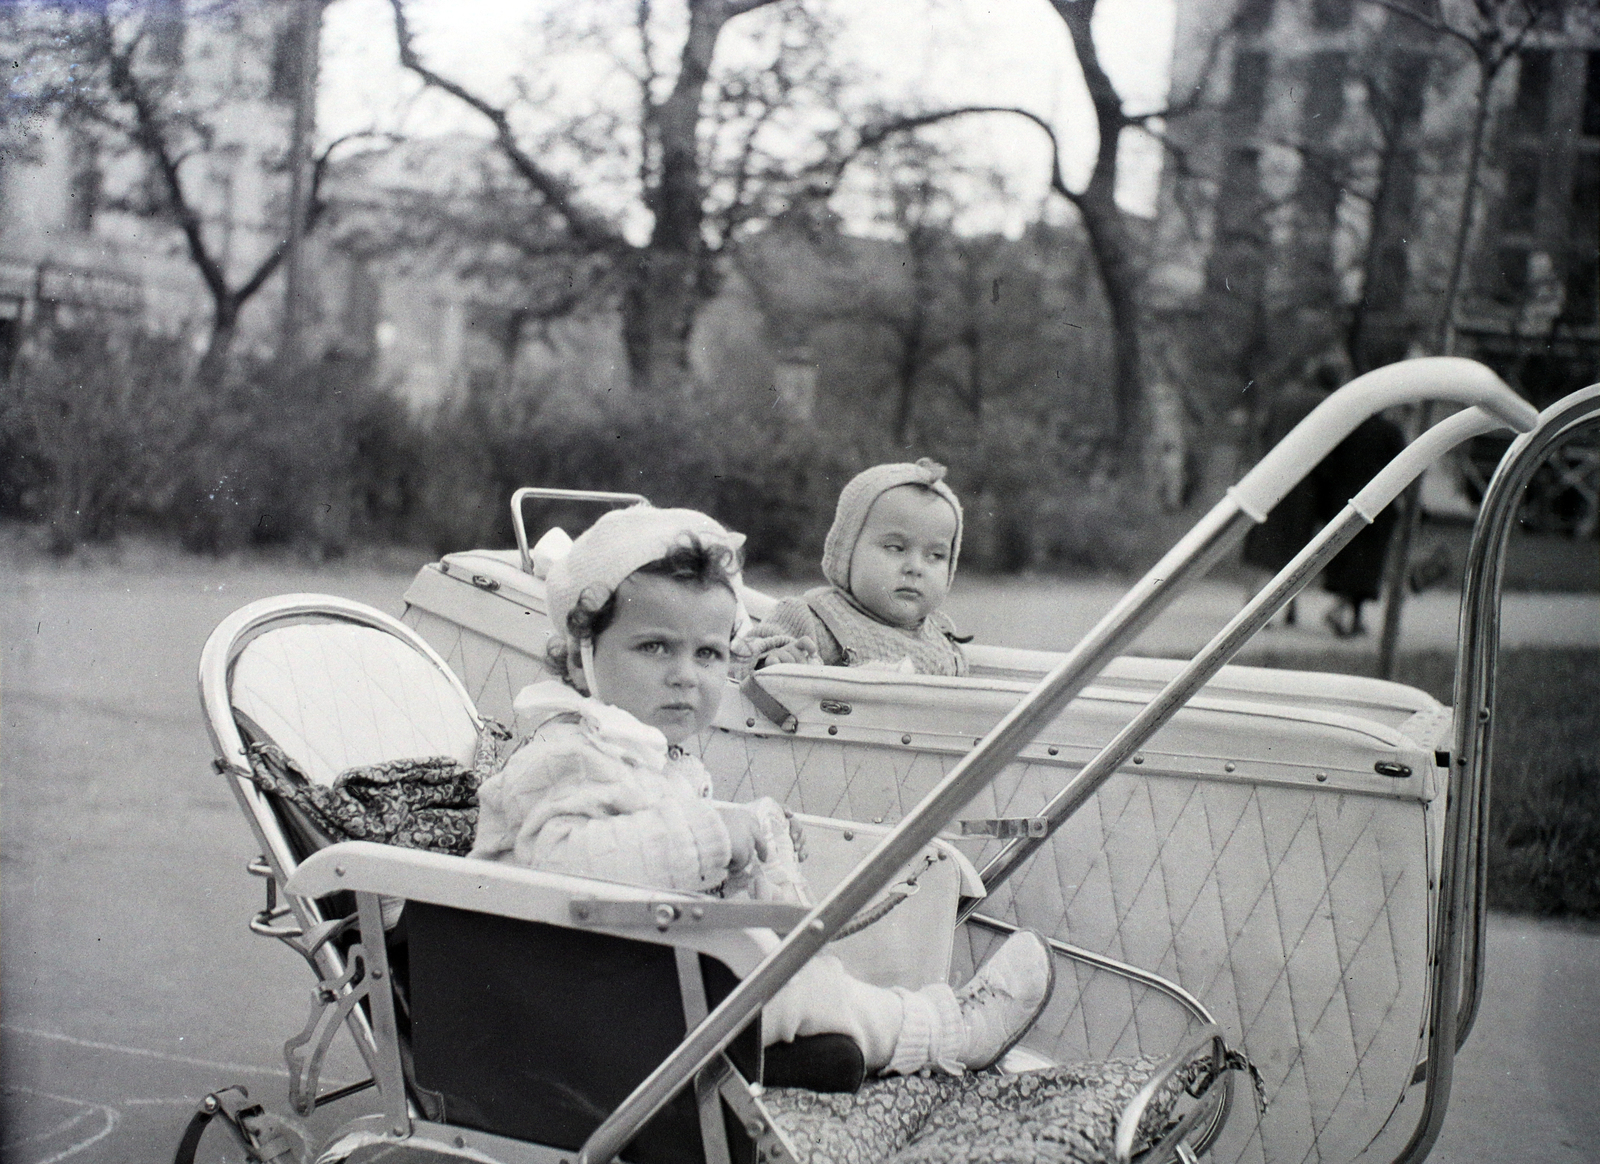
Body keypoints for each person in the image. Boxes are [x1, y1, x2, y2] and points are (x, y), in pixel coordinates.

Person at [470, 505, 1054, 1076]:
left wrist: (753, 857)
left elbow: (658, 858)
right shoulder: (564, 754)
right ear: (580, 660)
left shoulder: (651, 757)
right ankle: (944, 1032)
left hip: (633, 979)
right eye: (654, 647)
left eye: (707, 654)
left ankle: (832, 1037)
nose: (685, 674)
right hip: (568, 999)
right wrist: (714, 837)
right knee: (810, 990)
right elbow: (559, 865)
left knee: (806, 976)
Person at [750, 458, 970, 675]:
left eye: (935, 555)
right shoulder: (809, 617)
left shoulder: (943, 639)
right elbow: (741, 659)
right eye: (895, 548)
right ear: (846, 551)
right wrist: (772, 660)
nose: (915, 567)